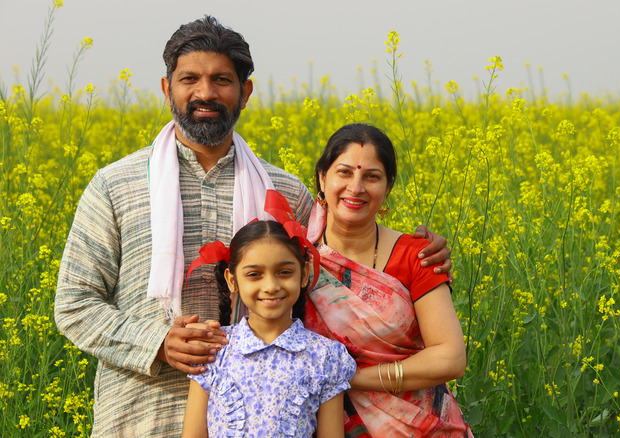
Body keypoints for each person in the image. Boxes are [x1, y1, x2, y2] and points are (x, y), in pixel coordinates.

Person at [54, 16, 451, 437]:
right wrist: (156, 342)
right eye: (189, 78)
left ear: (245, 93)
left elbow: (343, 267)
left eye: (222, 80)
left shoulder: (284, 192)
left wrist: (420, 252)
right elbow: (75, 303)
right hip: (140, 417)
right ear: (167, 89)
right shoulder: (115, 186)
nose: (205, 93)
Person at [304, 124, 473, 437]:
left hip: (422, 425)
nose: (356, 188)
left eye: (372, 176)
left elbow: (450, 357)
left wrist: (350, 377)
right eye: (344, 172)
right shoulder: (295, 260)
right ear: (321, 178)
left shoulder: (417, 255)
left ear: (388, 187)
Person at [182, 193, 355, 437]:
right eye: (254, 274)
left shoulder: (325, 357)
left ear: (304, 274)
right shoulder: (214, 351)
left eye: (284, 272)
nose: (271, 286)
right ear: (233, 280)